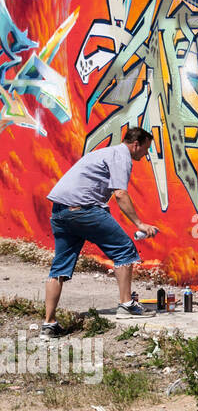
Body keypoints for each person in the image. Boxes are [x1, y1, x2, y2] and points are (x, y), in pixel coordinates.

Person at [42, 126, 160, 336]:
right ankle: (126, 305)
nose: (146, 153)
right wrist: (140, 224)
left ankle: (49, 324)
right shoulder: (122, 156)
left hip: (60, 211)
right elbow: (121, 194)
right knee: (124, 249)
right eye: (146, 148)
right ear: (136, 144)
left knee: (58, 268)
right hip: (83, 210)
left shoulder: (103, 152)